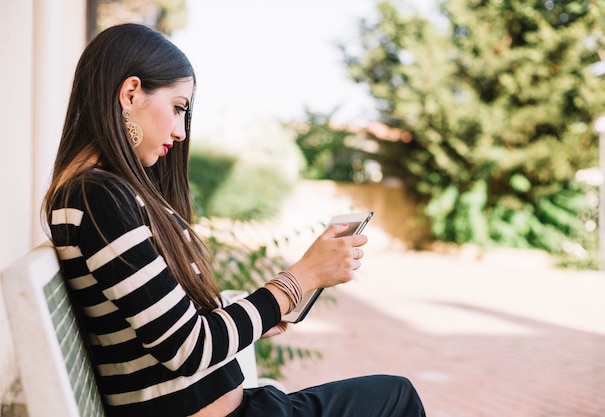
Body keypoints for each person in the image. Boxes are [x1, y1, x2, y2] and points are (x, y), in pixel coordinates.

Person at [42, 23, 426, 417]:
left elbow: (170, 325)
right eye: (177, 107)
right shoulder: (97, 195)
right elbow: (187, 348)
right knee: (396, 398)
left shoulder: (99, 193)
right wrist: (298, 282)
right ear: (130, 93)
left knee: (392, 393)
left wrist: (262, 310)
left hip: (241, 408)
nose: (179, 131)